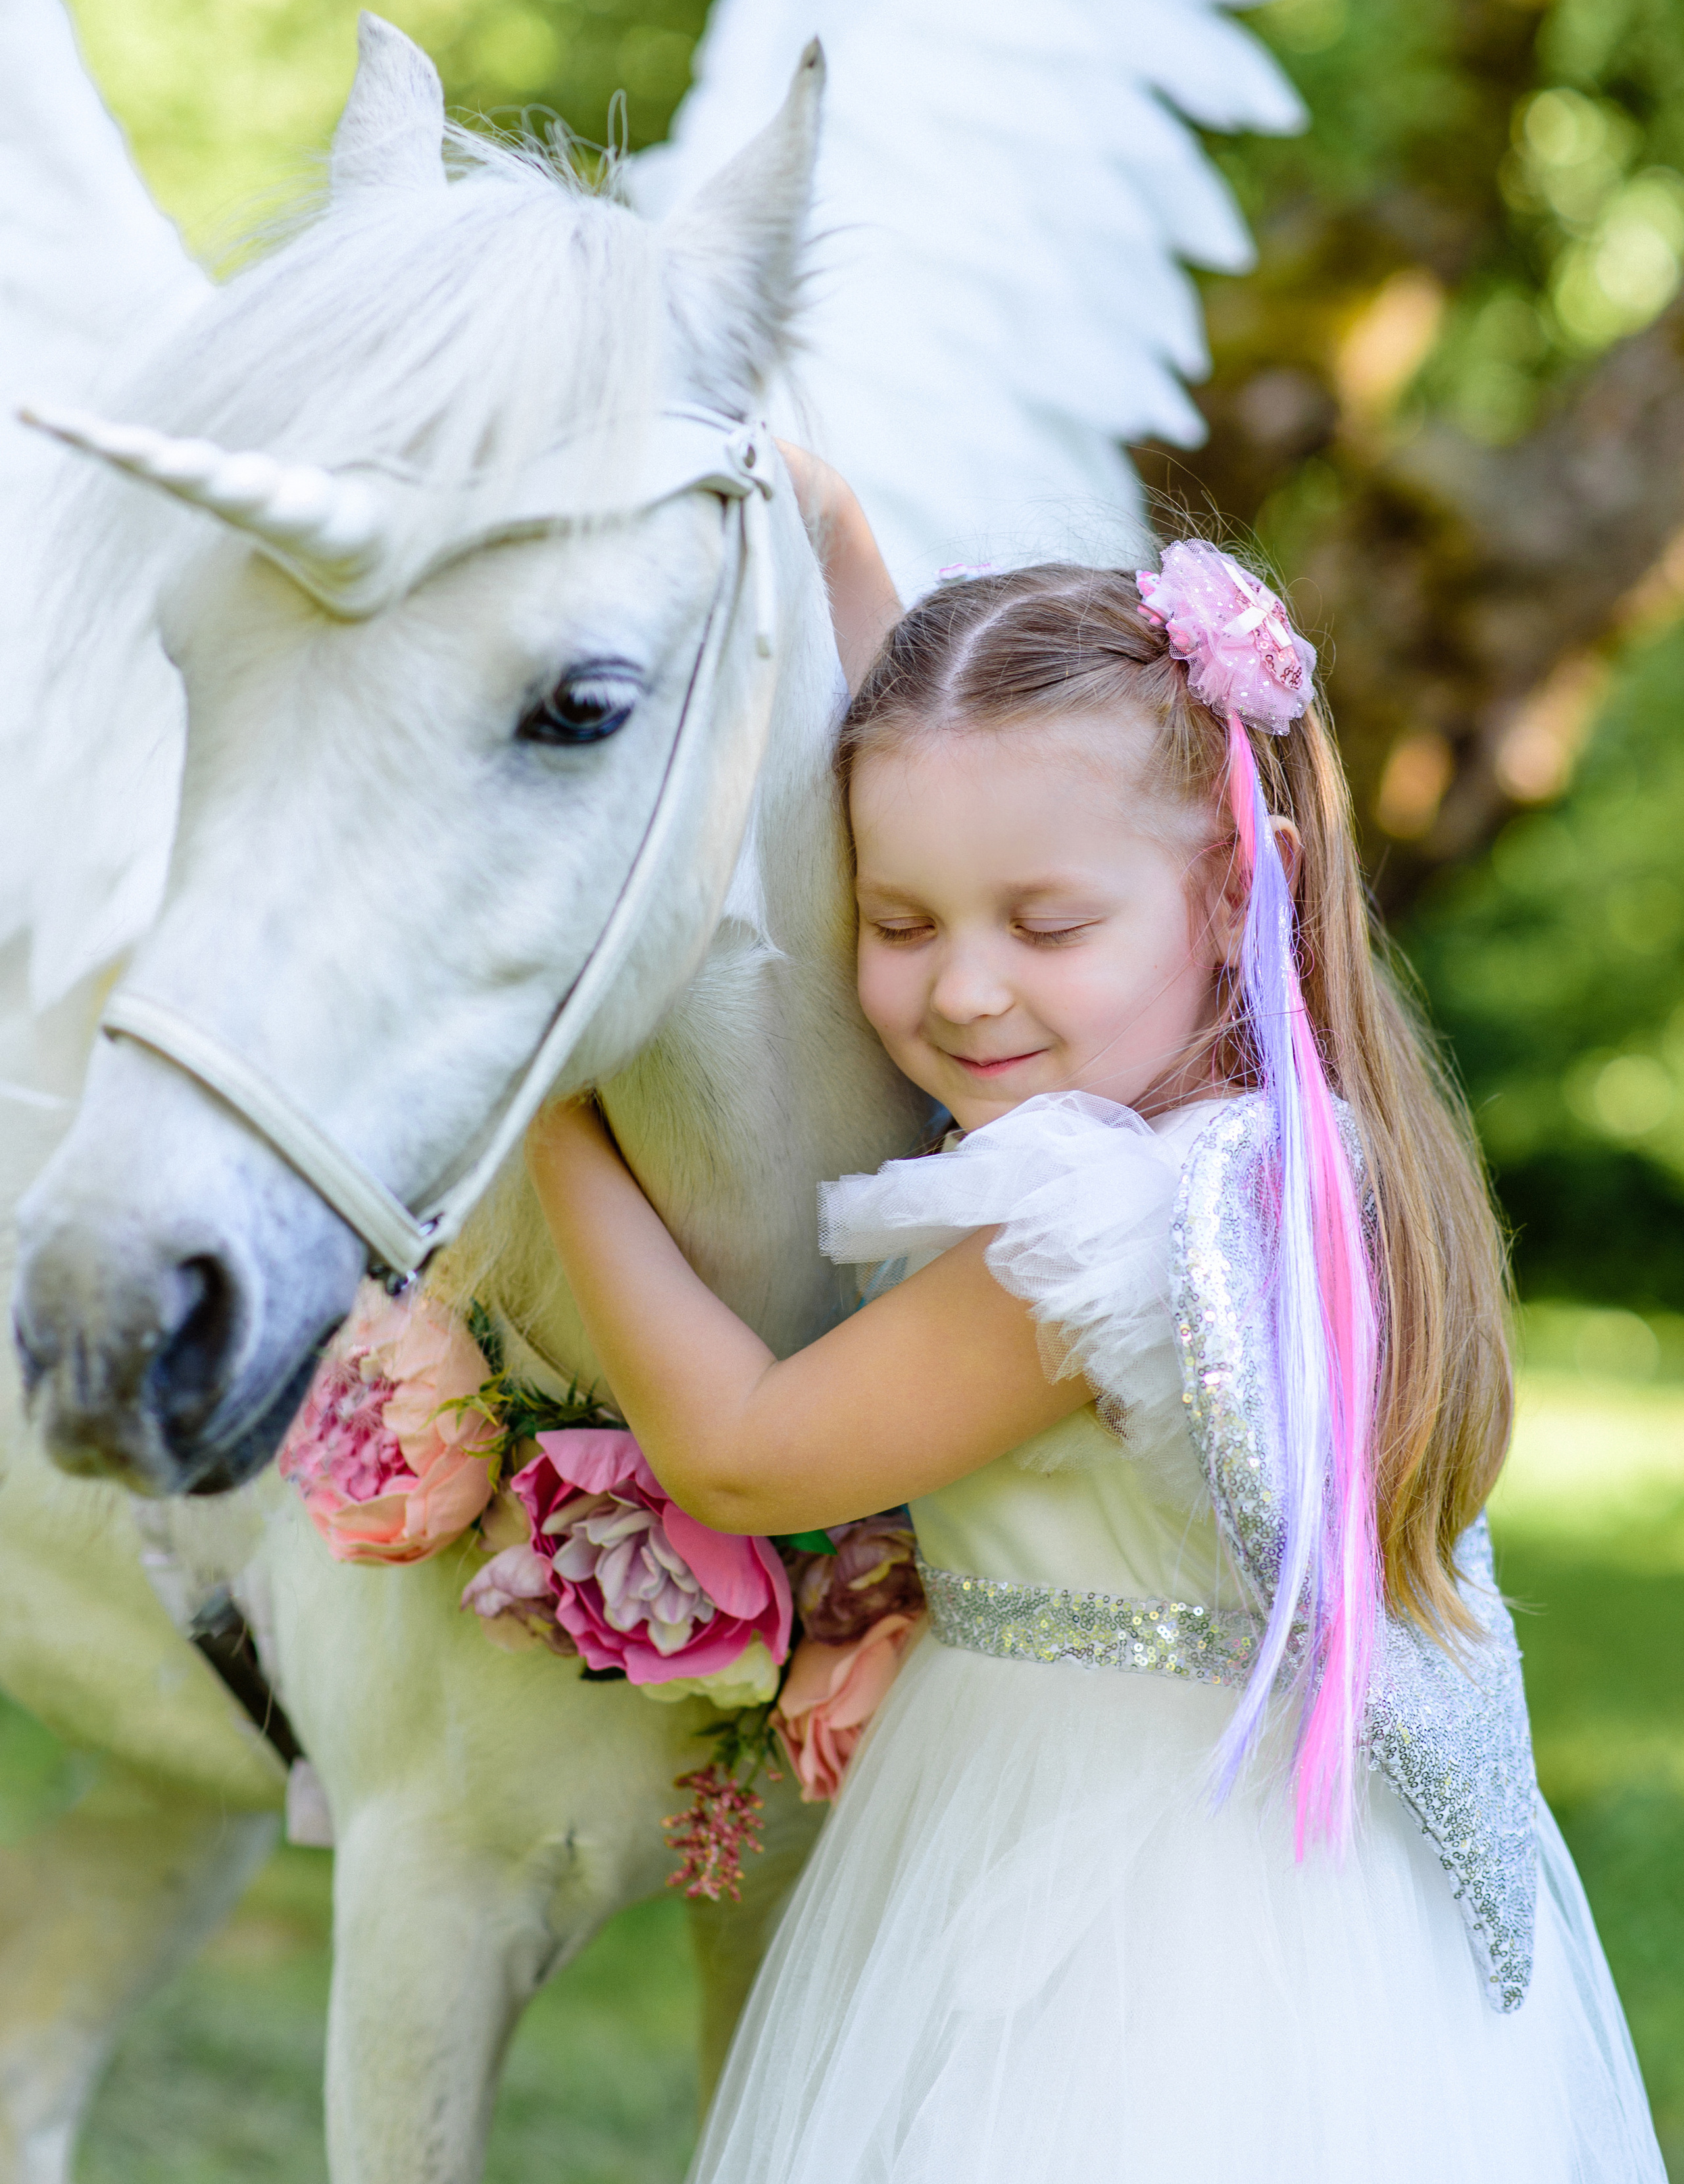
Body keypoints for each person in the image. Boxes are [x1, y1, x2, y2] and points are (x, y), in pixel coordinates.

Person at [526, 455, 1666, 2183]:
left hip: (1113, 1919)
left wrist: (547, 1116)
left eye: (1044, 923)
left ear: (1233, 893)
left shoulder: (1104, 1231)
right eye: (894, 921)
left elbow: (744, 1449)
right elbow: (947, 771)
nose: (963, 984)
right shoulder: (1287, 1154)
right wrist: (837, 537)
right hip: (1270, 1880)